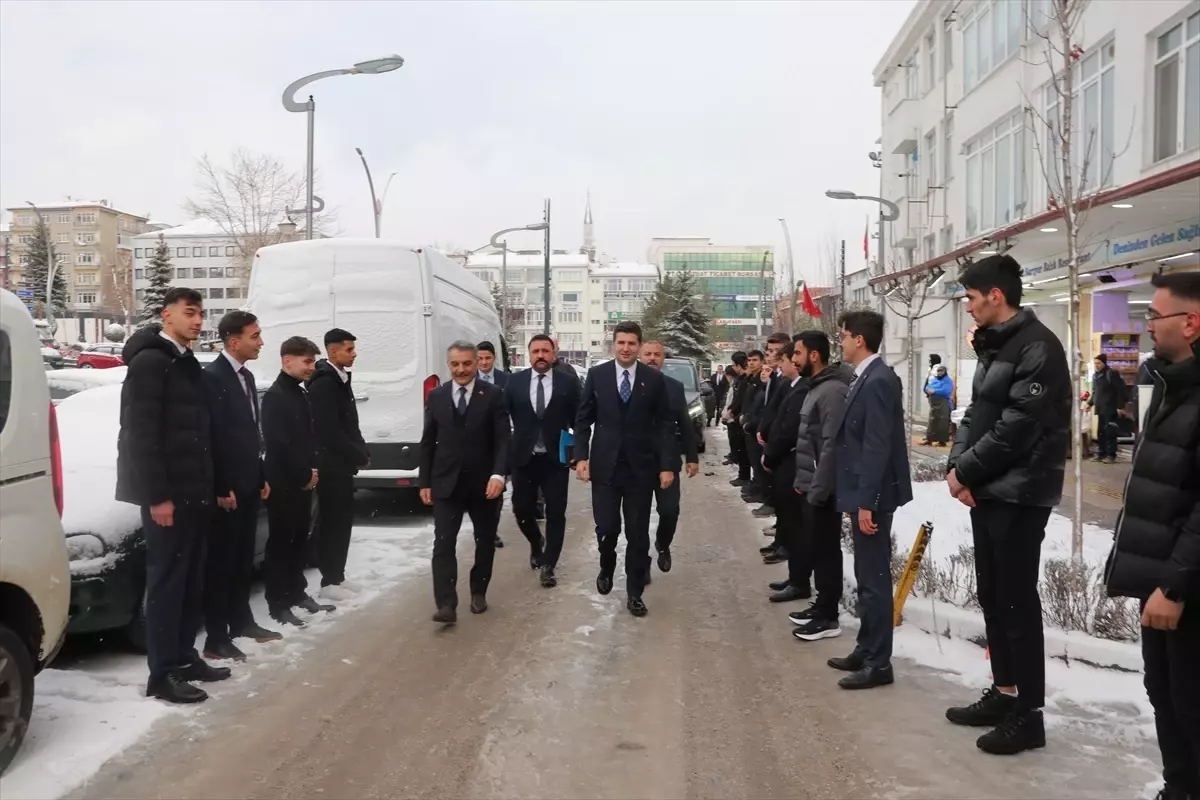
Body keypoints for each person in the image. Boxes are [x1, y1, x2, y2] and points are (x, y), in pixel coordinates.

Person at [944, 254, 1071, 756]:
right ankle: (1004, 692)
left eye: (971, 299)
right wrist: (958, 466)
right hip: (990, 490)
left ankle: (1029, 715)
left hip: (1020, 495)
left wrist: (968, 470)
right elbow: (976, 413)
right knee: (993, 596)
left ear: (996, 296)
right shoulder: (995, 348)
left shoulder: (1038, 347)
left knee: (1017, 604)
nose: (968, 308)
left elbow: (1018, 426)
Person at [1105, 272, 1200, 799]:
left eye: (1155, 316)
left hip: (1184, 585)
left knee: (1189, 700)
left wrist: (1177, 584)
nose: (1148, 326)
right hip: (1163, 578)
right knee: (1165, 693)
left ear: (1191, 323)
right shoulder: (1169, 384)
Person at [117, 287, 229, 704]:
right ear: (167, 316)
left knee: (189, 582)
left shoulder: (185, 363)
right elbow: (140, 437)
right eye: (190, 313)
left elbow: (198, 436)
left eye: (201, 314)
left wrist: (215, 488)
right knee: (166, 585)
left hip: (195, 493)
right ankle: (161, 674)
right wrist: (157, 496)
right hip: (169, 499)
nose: (198, 321)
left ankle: (184, 656)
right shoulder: (151, 363)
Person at [831, 309, 911, 691]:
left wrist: (867, 501)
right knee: (866, 575)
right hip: (863, 493)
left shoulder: (878, 380)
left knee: (875, 580)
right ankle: (866, 648)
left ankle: (880, 663)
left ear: (859, 339)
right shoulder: (865, 377)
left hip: (873, 497)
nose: (841, 343)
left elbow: (877, 445)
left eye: (844, 336)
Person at [575, 321, 674, 618]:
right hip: (605, 468)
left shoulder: (653, 381)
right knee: (607, 528)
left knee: (637, 533)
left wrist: (667, 465)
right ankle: (607, 565)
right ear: (613, 345)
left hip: (639, 471)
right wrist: (581, 457)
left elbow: (666, 426)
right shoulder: (597, 375)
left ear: (640, 346)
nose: (626, 348)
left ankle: (635, 593)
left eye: (632, 343)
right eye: (621, 343)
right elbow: (582, 420)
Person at [202, 311, 279, 664]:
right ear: (234, 341)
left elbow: (250, 435)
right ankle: (216, 637)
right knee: (222, 563)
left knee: (242, 560)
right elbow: (212, 437)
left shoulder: (246, 377)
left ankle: (241, 621)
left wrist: (260, 476)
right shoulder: (213, 378)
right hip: (226, 490)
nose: (261, 342)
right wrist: (221, 485)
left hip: (249, 484)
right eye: (255, 336)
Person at [419, 342, 509, 624]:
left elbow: (504, 440)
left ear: (476, 363)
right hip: (446, 484)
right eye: (455, 364)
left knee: (484, 542)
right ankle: (446, 603)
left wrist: (498, 475)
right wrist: (425, 481)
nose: (461, 370)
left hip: (484, 485)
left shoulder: (493, 395)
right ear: (449, 364)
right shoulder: (437, 396)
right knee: (443, 544)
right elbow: (428, 442)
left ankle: (478, 591)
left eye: (467, 364)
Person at [262, 336, 332, 629]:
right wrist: (304, 475)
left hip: (304, 481)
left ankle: (296, 592)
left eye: (313, 361)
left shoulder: (300, 393)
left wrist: (312, 470)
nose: (311, 367)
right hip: (283, 483)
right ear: (287, 360)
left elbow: (307, 439)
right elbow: (280, 444)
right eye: (306, 361)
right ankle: (278, 602)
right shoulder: (276, 396)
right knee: (281, 543)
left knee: (299, 540)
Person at [788, 330, 853, 640]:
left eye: (798, 353)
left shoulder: (831, 392)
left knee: (826, 551)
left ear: (814, 355)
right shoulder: (817, 388)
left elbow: (831, 445)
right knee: (817, 548)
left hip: (824, 488)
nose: (793, 359)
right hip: (811, 485)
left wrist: (818, 487)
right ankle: (821, 605)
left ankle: (829, 616)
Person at [505, 334, 580, 587]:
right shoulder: (514, 382)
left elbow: (578, 420)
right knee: (521, 509)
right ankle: (536, 542)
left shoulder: (568, 383)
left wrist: (577, 452)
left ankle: (549, 565)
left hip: (554, 460)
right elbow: (502, 419)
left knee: (556, 513)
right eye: (536, 351)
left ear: (553, 354)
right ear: (529, 354)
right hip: (523, 458)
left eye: (545, 351)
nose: (541, 355)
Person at [307, 329, 370, 601]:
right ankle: (329, 580)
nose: (354, 354)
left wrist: (362, 450)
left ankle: (337, 576)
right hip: (331, 466)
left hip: (342, 465)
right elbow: (329, 430)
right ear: (333, 352)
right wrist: (357, 455)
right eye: (348, 349)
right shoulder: (324, 382)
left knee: (343, 522)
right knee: (332, 522)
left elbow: (349, 423)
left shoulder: (340, 378)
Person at [638, 340, 699, 576]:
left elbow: (685, 423)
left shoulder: (673, 386)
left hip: (668, 461)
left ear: (663, 359)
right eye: (648, 354)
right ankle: (640, 562)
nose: (652, 358)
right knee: (639, 517)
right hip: (638, 462)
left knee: (669, 510)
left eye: (657, 355)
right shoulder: (629, 385)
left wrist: (692, 456)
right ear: (639, 356)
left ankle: (663, 545)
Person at [761, 340, 807, 585]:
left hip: (792, 461)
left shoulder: (802, 388)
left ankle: (799, 580)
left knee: (794, 520)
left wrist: (771, 452)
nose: (780, 362)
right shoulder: (791, 385)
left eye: (795, 355)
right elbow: (776, 415)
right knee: (787, 514)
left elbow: (789, 428)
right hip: (782, 458)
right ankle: (794, 577)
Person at [477, 340, 510, 547]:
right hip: (478, 442)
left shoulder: (506, 380)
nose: (483, 363)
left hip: (499, 440)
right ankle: (484, 530)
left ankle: (492, 531)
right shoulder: (469, 380)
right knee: (479, 490)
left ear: (494, 358)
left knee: (497, 489)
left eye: (487, 358)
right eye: (479, 359)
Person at [1088, 353, 1128, 463]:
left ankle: (1111, 455)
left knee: (1110, 432)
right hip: (1100, 409)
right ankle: (1101, 453)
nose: (1096, 365)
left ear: (1104, 363)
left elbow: (1120, 391)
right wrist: (1089, 404)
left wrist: (1120, 407)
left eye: (1098, 363)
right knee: (1101, 432)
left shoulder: (1111, 374)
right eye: (1095, 363)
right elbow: (1095, 392)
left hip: (1110, 408)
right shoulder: (1095, 375)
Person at [723, 351, 751, 479]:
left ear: (739, 365)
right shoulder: (740, 380)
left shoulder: (746, 380)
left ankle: (744, 477)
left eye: (734, 365)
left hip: (742, 418)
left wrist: (733, 412)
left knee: (744, 450)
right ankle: (742, 475)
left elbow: (741, 399)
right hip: (737, 417)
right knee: (739, 448)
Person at [922, 365, 954, 447]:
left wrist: (934, 391)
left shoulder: (948, 381)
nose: (940, 372)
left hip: (943, 404)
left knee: (942, 422)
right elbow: (927, 387)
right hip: (933, 405)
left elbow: (946, 391)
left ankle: (941, 441)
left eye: (941, 371)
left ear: (945, 372)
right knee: (932, 421)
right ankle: (929, 439)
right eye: (939, 371)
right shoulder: (934, 379)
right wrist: (928, 390)